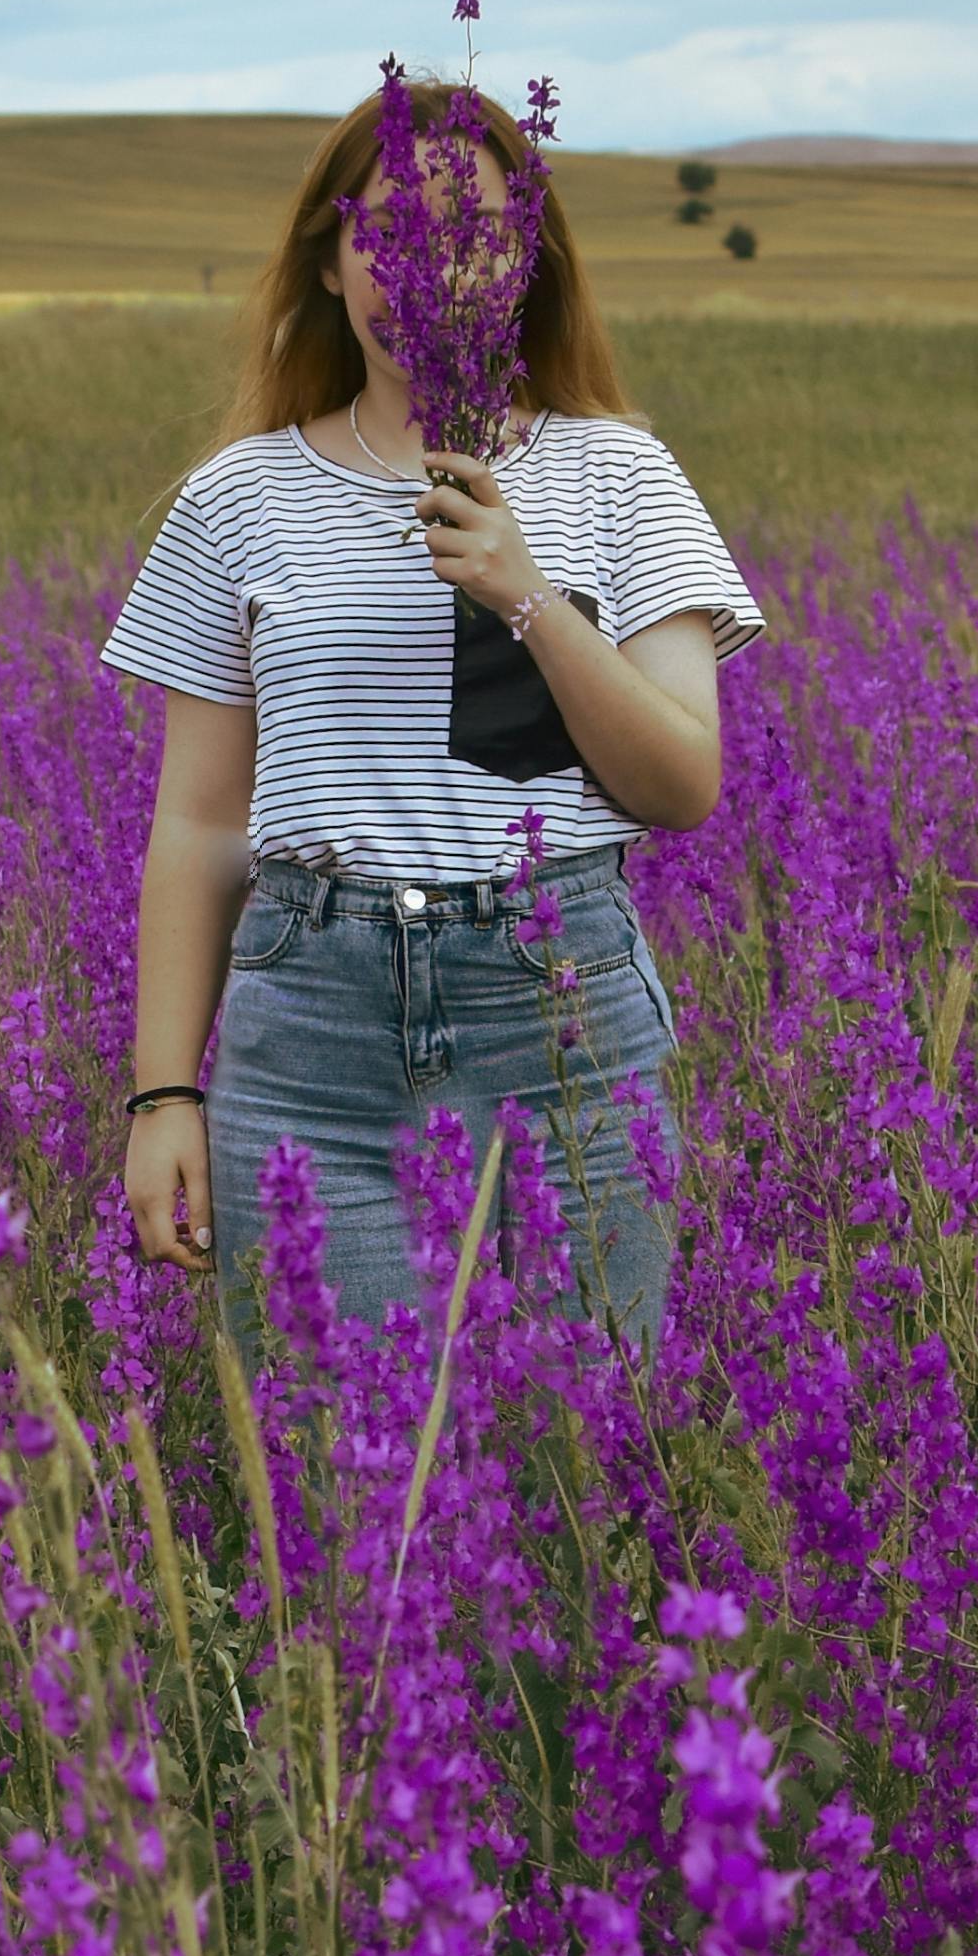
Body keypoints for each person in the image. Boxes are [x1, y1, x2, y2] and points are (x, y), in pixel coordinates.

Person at [99, 79, 762, 1356]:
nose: (430, 268)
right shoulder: (238, 499)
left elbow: (682, 786)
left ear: (526, 259)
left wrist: (528, 598)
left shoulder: (618, 472)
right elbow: (197, 826)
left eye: (474, 233)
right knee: (349, 1492)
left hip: (557, 1003)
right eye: (389, 232)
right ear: (332, 265)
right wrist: (164, 1093)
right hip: (311, 1036)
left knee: (586, 1476)